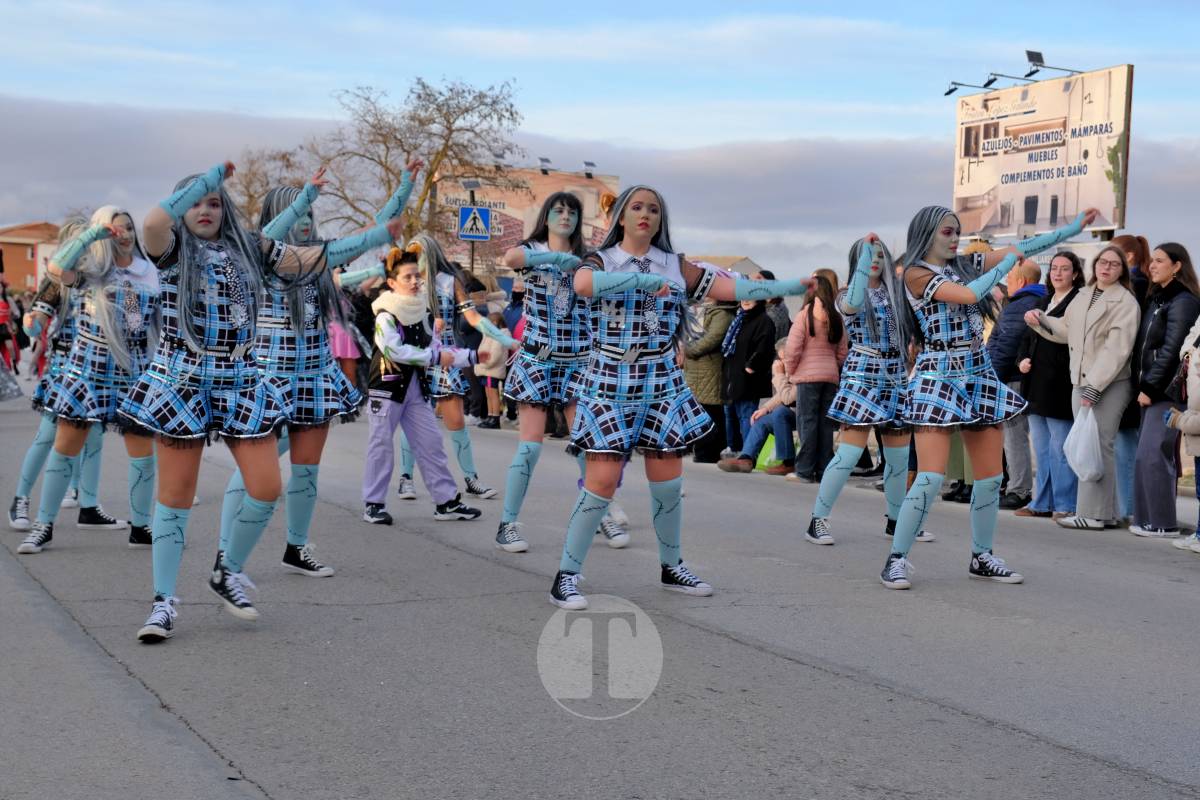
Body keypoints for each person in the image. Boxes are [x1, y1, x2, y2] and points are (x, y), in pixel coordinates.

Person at [120, 161, 403, 643]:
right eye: (194, 203)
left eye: (213, 201)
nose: (204, 209)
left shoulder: (251, 248)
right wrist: (206, 179)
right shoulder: (169, 249)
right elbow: (151, 222)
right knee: (176, 497)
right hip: (181, 378)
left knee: (266, 486)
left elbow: (318, 257)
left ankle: (227, 570)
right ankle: (163, 603)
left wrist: (378, 234)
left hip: (240, 378)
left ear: (225, 209)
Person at [548, 185, 807, 610]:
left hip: (661, 379)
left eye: (654, 208)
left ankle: (671, 566)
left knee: (668, 484)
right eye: (637, 207)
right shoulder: (602, 259)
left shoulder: (675, 264)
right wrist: (643, 280)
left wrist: (797, 284)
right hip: (611, 377)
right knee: (601, 483)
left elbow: (736, 289)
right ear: (622, 217)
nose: (646, 214)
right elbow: (581, 284)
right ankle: (566, 576)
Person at [880, 205, 1098, 590]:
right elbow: (966, 296)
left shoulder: (965, 262)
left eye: (956, 232)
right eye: (947, 232)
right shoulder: (916, 272)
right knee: (930, 477)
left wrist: (1073, 228)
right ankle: (896, 559)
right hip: (938, 373)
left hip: (977, 370)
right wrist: (1004, 265)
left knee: (989, 478)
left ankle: (982, 555)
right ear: (927, 232)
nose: (954, 238)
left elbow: (1026, 246)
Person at [216, 164, 415, 579]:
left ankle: (297, 546)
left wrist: (405, 186)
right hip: (268, 379)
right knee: (255, 469)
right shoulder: (260, 258)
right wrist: (306, 195)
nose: (306, 223)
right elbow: (269, 236)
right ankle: (224, 552)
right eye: (298, 215)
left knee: (308, 469)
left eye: (310, 216)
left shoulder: (319, 261)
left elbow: (377, 231)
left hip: (314, 376)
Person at [16, 208, 162, 557]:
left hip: (135, 371)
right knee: (64, 446)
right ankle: (42, 525)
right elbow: (55, 271)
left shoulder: (150, 273)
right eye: (116, 229)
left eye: (129, 227)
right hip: (87, 370)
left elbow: (152, 324)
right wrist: (92, 236)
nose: (124, 234)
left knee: (143, 455)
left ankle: (141, 527)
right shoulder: (90, 273)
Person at [804, 236, 934, 545]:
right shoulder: (847, 294)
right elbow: (853, 304)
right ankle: (817, 520)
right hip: (862, 374)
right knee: (849, 453)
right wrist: (863, 263)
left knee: (899, 457)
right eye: (866, 256)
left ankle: (896, 520)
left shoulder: (897, 295)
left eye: (878, 255)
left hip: (895, 375)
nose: (874, 260)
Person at [360, 247, 482, 526]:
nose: (415, 281)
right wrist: (435, 356)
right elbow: (393, 350)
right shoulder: (385, 314)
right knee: (381, 446)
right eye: (408, 277)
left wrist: (473, 356)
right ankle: (373, 503)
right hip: (387, 387)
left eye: (417, 276)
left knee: (431, 443)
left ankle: (446, 501)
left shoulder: (424, 314)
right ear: (392, 283)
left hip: (416, 388)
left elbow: (438, 348)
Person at [1025, 247, 1139, 528]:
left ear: (1122, 270)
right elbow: (1066, 329)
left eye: (1114, 264)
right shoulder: (1085, 295)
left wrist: (1094, 386)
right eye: (1102, 262)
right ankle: (1106, 513)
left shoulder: (1125, 302)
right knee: (1093, 446)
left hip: (1107, 384)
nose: (1106, 268)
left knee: (1097, 446)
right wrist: (1041, 321)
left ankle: (1092, 514)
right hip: (1081, 381)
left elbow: (1117, 350)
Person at [1128, 243, 1200, 537]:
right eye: (1152, 260)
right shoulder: (1157, 299)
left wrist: (1151, 387)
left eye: (1159, 261)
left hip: (1167, 391)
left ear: (1177, 265)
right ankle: (1147, 519)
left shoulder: (1183, 301)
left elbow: (1172, 351)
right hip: (1152, 388)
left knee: (1154, 453)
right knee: (1146, 455)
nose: (1152, 265)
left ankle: (1162, 523)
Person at [1012, 252, 1083, 520]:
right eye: (1054, 268)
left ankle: (1065, 503)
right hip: (1035, 382)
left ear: (1075, 274)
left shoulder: (1078, 302)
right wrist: (1021, 361)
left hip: (1060, 383)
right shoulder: (1043, 300)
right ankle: (1041, 502)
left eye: (1065, 269)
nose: (1058, 273)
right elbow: (1025, 338)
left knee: (1060, 447)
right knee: (1041, 448)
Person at [987, 259, 1047, 510]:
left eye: (1010, 278)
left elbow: (1005, 347)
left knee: (1014, 436)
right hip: (1027, 379)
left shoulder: (1017, 306)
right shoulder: (1040, 300)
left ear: (1021, 282)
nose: (1008, 283)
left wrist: (992, 379)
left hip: (1011, 379)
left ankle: (1019, 489)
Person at [785, 273, 847, 482]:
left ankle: (804, 470)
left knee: (807, 422)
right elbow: (842, 351)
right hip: (829, 376)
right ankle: (823, 469)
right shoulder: (836, 317)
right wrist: (832, 367)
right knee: (825, 424)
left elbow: (793, 348)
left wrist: (790, 370)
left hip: (808, 377)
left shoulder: (805, 315)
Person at [1111, 233, 1152, 521]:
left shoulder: (1133, 287)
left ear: (1128, 258)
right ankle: (1128, 505)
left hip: (1127, 374)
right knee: (1127, 443)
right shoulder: (1137, 285)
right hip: (1131, 372)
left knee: (1127, 443)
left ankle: (1128, 508)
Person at [718, 338, 796, 474]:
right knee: (761, 419)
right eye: (780, 358)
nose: (782, 363)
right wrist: (764, 409)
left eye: (785, 359)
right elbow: (781, 395)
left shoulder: (799, 370)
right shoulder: (785, 369)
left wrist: (779, 375)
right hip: (791, 414)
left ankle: (788, 462)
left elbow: (788, 397)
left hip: (802, 414)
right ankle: (746, 458)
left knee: (780, 412)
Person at [721, 284, 777, 448]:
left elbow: (765, 348)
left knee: (746, 414)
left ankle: (748, 452)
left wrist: (750, 367)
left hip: (748, 378)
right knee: (730, 414)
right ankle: (733, 449)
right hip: (732, 376)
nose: (745, 300)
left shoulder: (763, 320)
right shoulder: (739, 318)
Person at [685, 294, 736, 463]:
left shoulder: (722, 314)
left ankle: (709, 451)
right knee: (699, 409)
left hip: (709, 367)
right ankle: (700, 450)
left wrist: (690, 350)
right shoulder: (701, 311)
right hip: (694, 368)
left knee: (711, 409)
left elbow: (713, 338)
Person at [475, 309, 508, 429]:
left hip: (492, 369)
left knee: (493, 393)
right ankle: (490, 415)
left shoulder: (502, 334)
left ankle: (495, 418)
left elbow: (496, 353)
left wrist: (485, 364)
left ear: (495, 322)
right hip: (485, 368)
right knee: (488, 393)